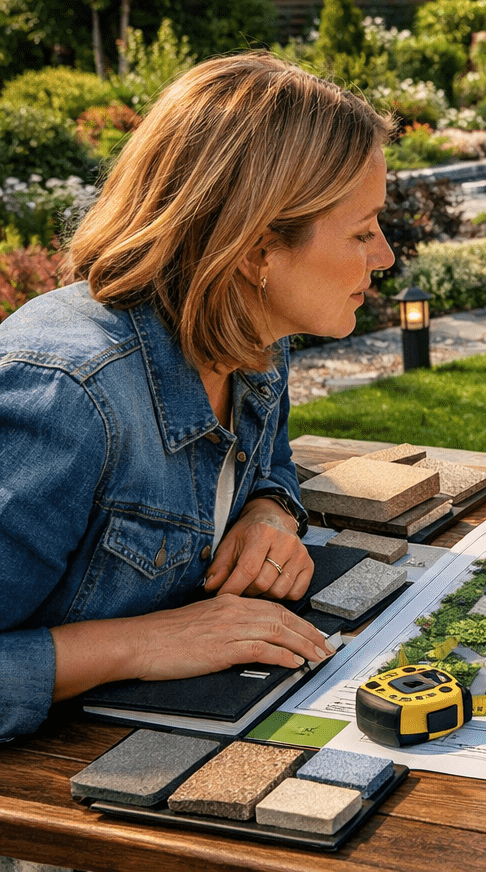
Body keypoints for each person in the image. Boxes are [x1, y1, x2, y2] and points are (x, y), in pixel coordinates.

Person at [0, 52, 397, 739]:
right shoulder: (67, 397)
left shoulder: (246, 334)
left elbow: (267, 456)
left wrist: (271, 512)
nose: (385, 255)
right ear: (256, 251)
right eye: (361, 231)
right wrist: (141, 642)